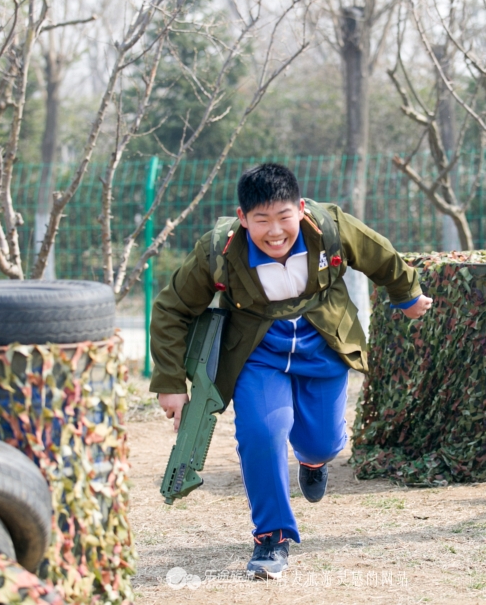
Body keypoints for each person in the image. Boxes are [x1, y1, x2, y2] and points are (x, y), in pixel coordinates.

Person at [149, 163, 432, 579]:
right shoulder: (219, 251)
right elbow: (172, 307)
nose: (275, 231)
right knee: (262, 433)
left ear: (299, 209)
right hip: (257, 355)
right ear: (243, 219)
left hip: (323, 344)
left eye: (284, 217)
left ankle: (313, 463)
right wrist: (170, 383)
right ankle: (272, 536)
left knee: (321, 444)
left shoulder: (329, 228)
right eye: (261, 220)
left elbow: (380, 255)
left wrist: (407, 294)